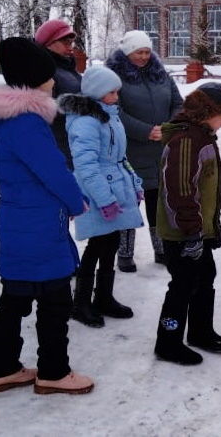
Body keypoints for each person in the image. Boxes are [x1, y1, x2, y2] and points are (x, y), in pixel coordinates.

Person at [0, 37, 93, 395]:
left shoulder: (10, 120)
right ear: (34, 79)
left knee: (15, 297)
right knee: (55, 301)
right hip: (39, 225)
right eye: (48, 76)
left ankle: (3, 368)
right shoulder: (26, 122)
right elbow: (53, 170)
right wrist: (76, 202)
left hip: (19, 222)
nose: (54, 82)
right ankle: (54, 372)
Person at [154, 82, 221, 365]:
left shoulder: (203, 137)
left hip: (197, 231)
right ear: (210, 111)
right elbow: (181, 189)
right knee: (182, 285)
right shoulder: (187, 140)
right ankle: (168, 342)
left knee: (204, 278)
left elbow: (207, 192)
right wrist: (192, 232)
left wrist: (211, 228)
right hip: (182, 232)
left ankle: (200, 331)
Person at [59, 66, 144, 328]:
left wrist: (134, 182)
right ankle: (81, 303)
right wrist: (104, 199)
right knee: (97, 246)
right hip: (97, 192)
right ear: (97, 93)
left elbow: (119, 157)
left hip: (116, 186)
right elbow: (86, 166)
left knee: (112, 244)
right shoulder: (86, 121)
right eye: (111, 92)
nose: (117, 96)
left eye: (117, 91)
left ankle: (104, 297)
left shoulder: (110, 116)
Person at [105, 30, 183, 272]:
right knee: (129, 202)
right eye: (139, 52)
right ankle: (125, 253)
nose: (144, 56)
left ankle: (161, 250)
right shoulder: (115, 77)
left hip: (160, 150)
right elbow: (114, 111)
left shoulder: (160, 74)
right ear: (127, 52)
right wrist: (145, 131)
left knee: (157, 201)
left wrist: (168, 128)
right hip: (130, 152)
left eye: (147, 51)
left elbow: (178, 103)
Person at [34, 18, 82, 168]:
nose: (71, 47)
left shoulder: (67, 68)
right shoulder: (43, 71)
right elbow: (44, 110)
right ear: (49, 43)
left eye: (71, 43)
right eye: (66, 43)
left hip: (73, 142)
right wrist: (86, 105)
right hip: (58, 145)